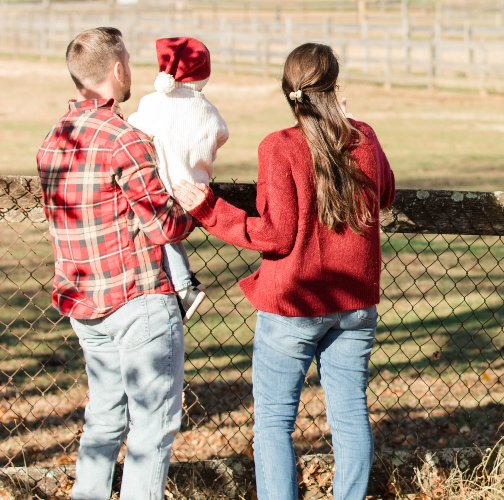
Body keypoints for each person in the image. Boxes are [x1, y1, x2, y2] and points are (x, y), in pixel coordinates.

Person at [171, 42, 395, 500]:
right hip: (355, 304)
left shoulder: (280, 147)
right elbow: (385, 193)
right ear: (334, 86)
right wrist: (352, 126)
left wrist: (210, 209)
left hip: (294, 304)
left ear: (287, 91)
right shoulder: (363, 137)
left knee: (274, 422)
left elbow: (275, 234)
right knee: (349, 415)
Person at [36, 27, 194, 500]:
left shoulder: (53, 140)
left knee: (103, 419)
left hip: (84, 302)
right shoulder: (123, 138)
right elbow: (165, 226)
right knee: (152, 428)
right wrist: (193, 204)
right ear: (117, 69)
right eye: (128, 61)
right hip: (137, 297)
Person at [128, 36, 230, 319]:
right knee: (170, 236)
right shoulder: (207, 109)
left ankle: (183, 287)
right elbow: (222, 134)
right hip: (197, 192)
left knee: (160, 232)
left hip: (163, 187)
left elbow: (132, 129)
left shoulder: (151, 103)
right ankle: (183, 285)